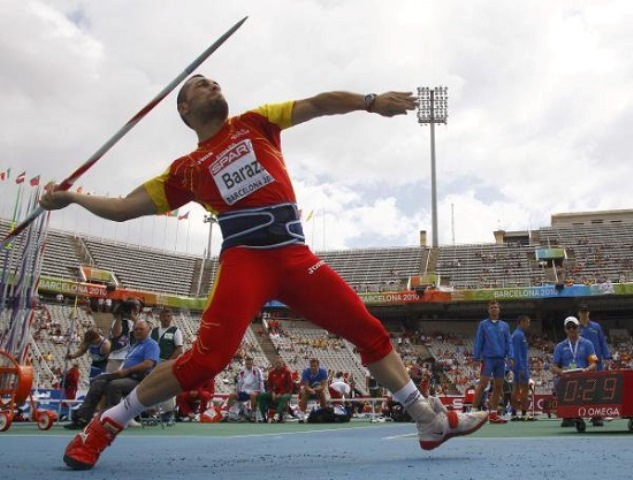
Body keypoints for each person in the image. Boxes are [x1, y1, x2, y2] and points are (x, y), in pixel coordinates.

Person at [40, 75, 488, 470]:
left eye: (214, 82)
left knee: (370, 333)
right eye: (200, 85)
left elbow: (317, 104)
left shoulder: (255, 122)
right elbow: (122, 209)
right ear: (184, 109)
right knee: (206, 361)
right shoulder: (185, 171)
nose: (213, 86)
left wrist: (369, 101)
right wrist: (73, 199)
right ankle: (105, 424)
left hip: (294, 257)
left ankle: (428, 421)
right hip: (246, 261)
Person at [63, 320, 159, 430]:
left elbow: (148, 364)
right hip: (126, 375)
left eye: (141, 329)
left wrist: (127, 371)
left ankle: (114, 419)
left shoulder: (151, 345)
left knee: (114, 385)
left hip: (140, 379)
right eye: (136, 329)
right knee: (98, 380)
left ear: (148, 330)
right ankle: (83, 418)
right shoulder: (135, 345)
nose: (137, 331)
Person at [472, 300, 514, 423]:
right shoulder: (483, 325)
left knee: (498, 386)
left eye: (496, 307)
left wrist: (510, 356)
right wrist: (476, 358)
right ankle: (473, 412)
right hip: (488, 359)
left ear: (499, 310)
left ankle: (493, 414)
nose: (494, 309)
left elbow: (509, 342)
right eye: (492, 307)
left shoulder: (505, 326)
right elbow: (478, 341)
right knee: (483, 384)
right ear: (488, 310)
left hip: (500, 360)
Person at [552, 316, 598, 427]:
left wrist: (587, 369)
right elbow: (553, 367)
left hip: (584, 376)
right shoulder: (560, 346)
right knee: (559, 383)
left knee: (596, 382)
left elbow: (594, 363)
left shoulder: (588, 344)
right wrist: (561, 372)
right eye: (569, 327)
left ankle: (596, 415)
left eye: (574, 326)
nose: (571, 329)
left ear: (578, 328)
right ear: (565, 329)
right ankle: (568, 415)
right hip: (567, 378)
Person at [150, 308, 184, 423]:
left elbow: (179, 348)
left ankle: (169, 413)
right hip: (154, 362)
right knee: (153, 387)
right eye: (164, 316)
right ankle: (152, 412)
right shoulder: (154, 331)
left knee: (167, 388)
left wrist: (169, 362)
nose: (166, 318)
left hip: (167, 362)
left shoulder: (175, 331)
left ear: (171, 318)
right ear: (159, 317)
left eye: (168, 316)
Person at [106, 298, 142, 373]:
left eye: (138, 306)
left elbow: (141, 331)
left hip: (131, 357)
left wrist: (133, 318)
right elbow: (116, 334)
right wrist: (119, 316)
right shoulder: (118, 321)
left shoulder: (137, 322)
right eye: (135, 306)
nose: (137, 309)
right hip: (116, 356)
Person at [226, 356, 265, 422]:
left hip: (254, 391)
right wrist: (237, 391)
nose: (248, 365)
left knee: (252, 395)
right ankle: (228, 413)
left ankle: (253, 414)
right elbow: (239, 382)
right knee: (232, 395)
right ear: (245, 364)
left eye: (250, 364)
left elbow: (261, 381)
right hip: (244, 391)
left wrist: (260, 391)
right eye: (247, 364)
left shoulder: (257, 370)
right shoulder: (242, 370)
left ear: (252, 363)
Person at [510, 315, 533, 421]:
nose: (529, 324)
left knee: (516, 390)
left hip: (518, 366)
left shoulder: (519, 334)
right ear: (521, 322)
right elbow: (516, 353)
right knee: (524, 390)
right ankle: (523, 414)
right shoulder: (518, 335)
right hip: (521, 366)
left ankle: (514, 413)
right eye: (527, 322)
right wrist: (521, 368)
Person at [258, 355, 293, 423]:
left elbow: (289, 386)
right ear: (275, 364)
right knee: (262, 395)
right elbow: (269, 385)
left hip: (286, 393)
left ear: (282, 363)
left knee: (283, 397)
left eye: (279, 363)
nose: (278, 364)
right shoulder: (271, 373)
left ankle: (276, 415)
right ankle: (263, 415)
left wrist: (280, 393)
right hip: (274, 393)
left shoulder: (287, 372)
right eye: (277, 363)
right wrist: (272, 392)